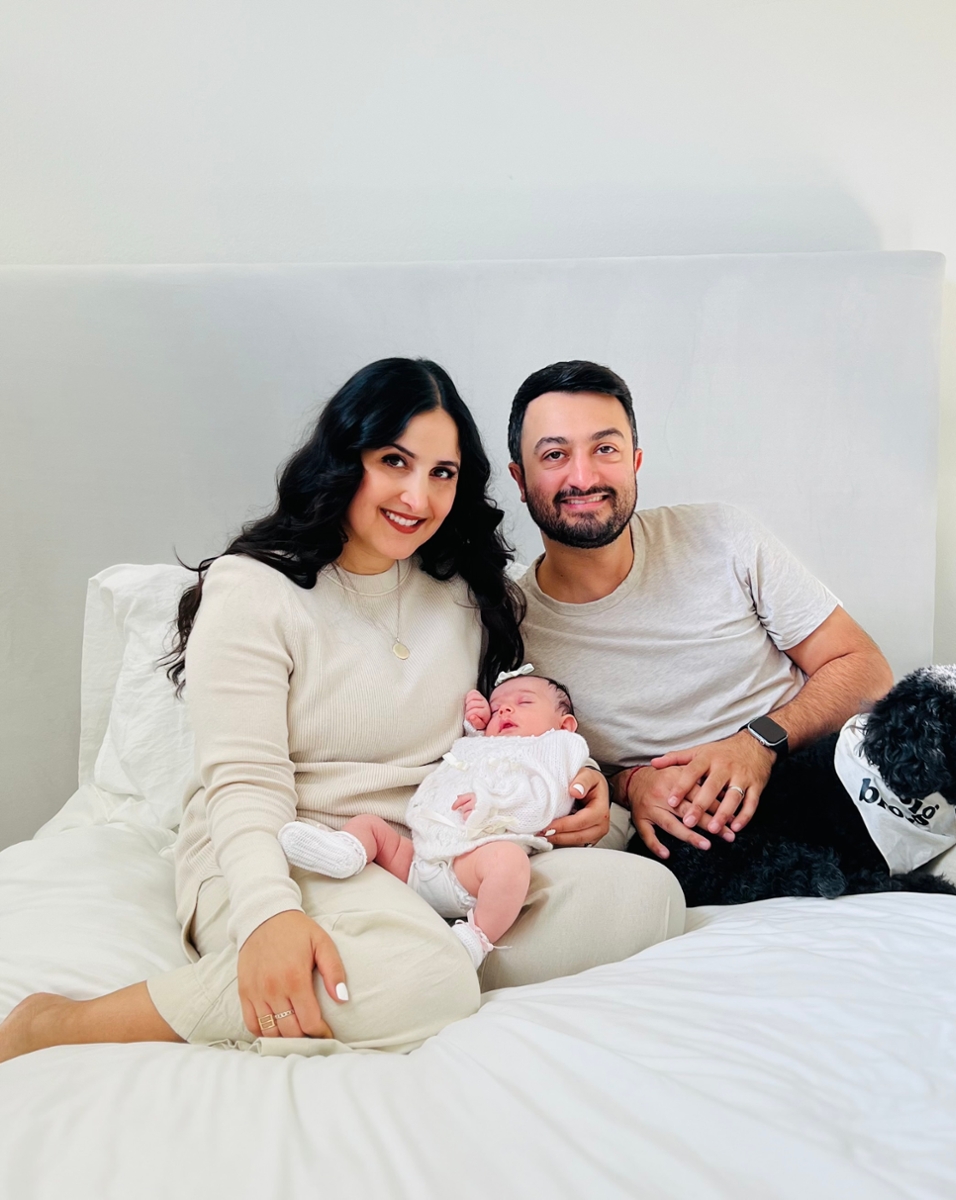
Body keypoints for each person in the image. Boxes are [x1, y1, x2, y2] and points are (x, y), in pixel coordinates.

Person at [0, 358, 684, 1065]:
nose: (417, 496)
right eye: (394, 461)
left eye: (442, 473)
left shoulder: (464, 594)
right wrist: (268, 914)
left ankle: (398, 958)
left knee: (648, 898)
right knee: (428, 981)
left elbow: (497, 743)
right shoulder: (253, 588)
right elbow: (243, 781)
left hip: (426, 861)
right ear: (345, 456)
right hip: (284, 852)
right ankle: (62, 1025)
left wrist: (584, 789)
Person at [506, 359, 896, 860]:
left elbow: (865, 668)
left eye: (605, 449)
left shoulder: (722, 536)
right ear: (520, 479)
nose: (583, 477)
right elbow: (538, 756)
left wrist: (758, 743)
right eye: (555, 455)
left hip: (816, 778)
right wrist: (631, 784)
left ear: (635, 462)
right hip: (690, 840)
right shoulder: (511, 628)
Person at [278, 668, 590, 970]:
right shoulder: (484, 742)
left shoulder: (555, 749)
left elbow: (548, 800)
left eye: (524, 702)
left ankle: (475, 938)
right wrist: (476, 724)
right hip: (418, 858)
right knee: (370, 825)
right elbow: (472, 760)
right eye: (497, 708)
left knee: (510, 863)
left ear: (564, 725)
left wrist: (493, 803)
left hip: (472, 868)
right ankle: (346, 851)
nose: (505, 709)